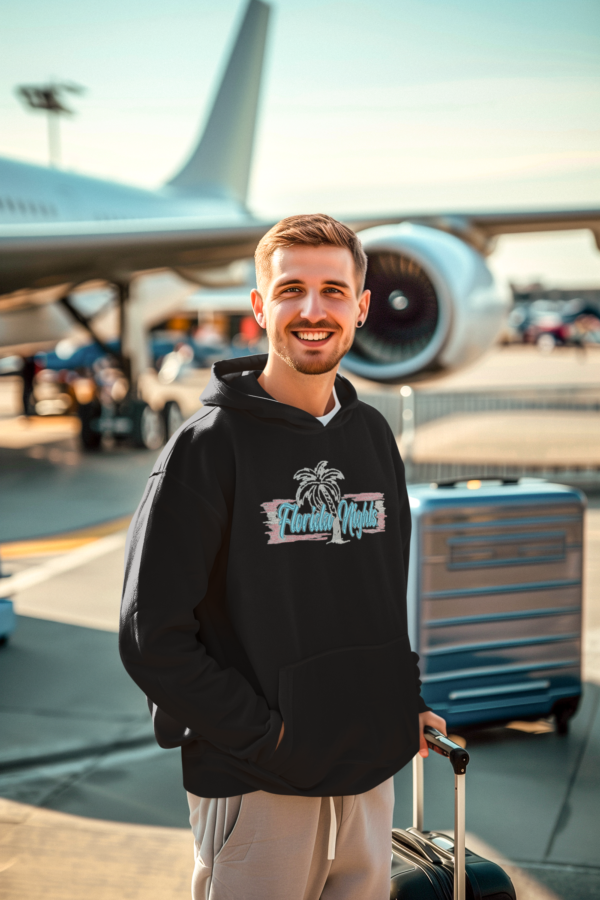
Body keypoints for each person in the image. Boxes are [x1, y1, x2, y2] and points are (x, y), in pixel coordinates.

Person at [119, 213, 446, 900]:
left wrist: (400, 700)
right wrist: (269, 739)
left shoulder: (372, 436)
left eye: (333, 290)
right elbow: (152, 638)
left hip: (368, 770)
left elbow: (380, 597)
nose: (312, 309)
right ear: (260, 307)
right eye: (291, 288)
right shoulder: (207, 448)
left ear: (360, 307)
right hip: (258, 783)